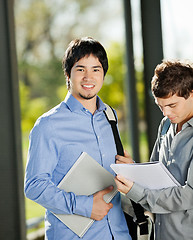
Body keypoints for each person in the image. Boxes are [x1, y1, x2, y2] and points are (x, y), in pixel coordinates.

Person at [24, 37, 131, 240]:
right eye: (80, 69)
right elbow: (34, 185)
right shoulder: (48, 125)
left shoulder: (110, 116)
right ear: (68, 74)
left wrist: (129, 169)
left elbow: (112, 170)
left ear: (103, 74)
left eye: (96, 69)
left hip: (118, 233)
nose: (88, 77)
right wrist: (85, 206)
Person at [115, 59, 193, 240]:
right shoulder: (166, 125)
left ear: (191, 93)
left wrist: (136, 192)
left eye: (172, 105)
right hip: (161, 233)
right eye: (161, 106)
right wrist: (133, 170)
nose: (165, 113)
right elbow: (156, 174)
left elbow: (189, 195)